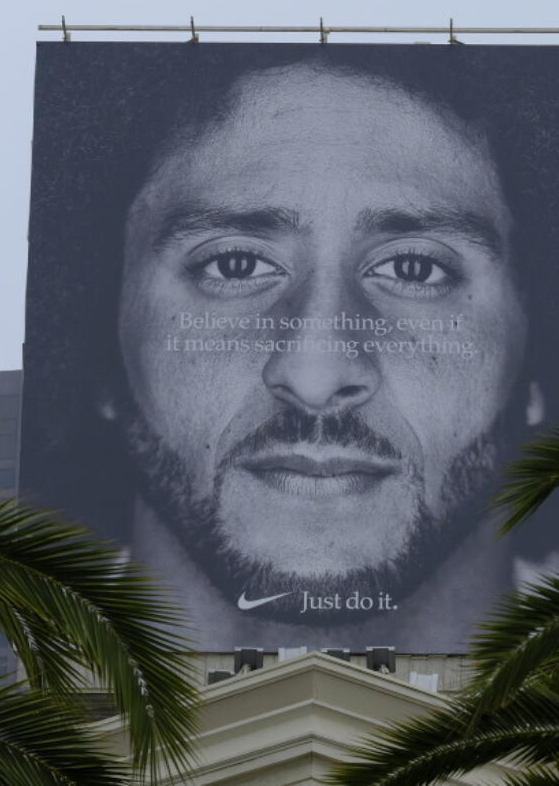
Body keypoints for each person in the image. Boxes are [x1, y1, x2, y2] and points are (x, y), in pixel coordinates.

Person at [115, 58, 532, 649]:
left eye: (414, 268)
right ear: (104, 335)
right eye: (235, 264)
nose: (315, 376)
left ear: (539, 346)